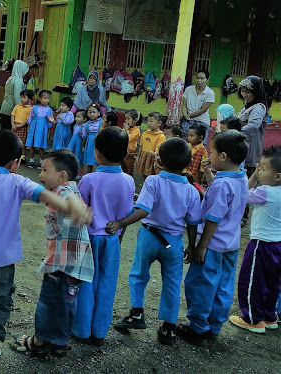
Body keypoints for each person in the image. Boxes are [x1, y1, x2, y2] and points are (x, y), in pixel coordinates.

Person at [0, 130, 92, 361]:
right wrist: (71, 207)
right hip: (5, 261)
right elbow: (45, 195)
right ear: (16, 163)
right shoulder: (17, 182)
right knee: (0, 302)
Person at [107, 138, 201, 345]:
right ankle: (168, 327)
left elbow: (144, 210)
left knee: (139, 275)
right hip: (174, 241)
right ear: (188, 162)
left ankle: (137, 313)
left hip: (150, 236)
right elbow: (193, 223)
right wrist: (192, 246)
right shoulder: (192, 191)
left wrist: (121, 222)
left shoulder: (154, 181)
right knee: (172, 284)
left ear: (160, 161)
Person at [15, 149, 94, 358]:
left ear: (62, 177)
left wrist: (77, 207)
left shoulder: (63, 191)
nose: (40, 175)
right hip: (75, 264)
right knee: (67, 304)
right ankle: (60, 343)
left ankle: (38, 341)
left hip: (61, 263)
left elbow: (69, 201)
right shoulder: (69, 189)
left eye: (45, 170)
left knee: (48, 302)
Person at [176, 130, 249, 347]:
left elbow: (213, 218)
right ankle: (214, 326)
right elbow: (219, 194)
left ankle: (198, 327)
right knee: (223, 286)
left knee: (201, 285)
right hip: (230, 244)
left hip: (212, 245)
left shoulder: (222, 184)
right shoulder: (241, 176)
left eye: (213, 152)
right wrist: (209, 172)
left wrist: (201, 246)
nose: (210, 155)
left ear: (224, 156)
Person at [73, 127, 135, 347]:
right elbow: (126, 215)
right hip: (111, 239)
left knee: (86, 283)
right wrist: (118, 235)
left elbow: (80, 212)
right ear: (125, 152)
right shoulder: (128, 181)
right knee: (107, 284)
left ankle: (81, 330)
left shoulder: (88, 179)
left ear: (96, 152)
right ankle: (99, 332)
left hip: (89, 238)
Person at [229, 145, 281, 333]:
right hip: (278, 245)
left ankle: (252, 318)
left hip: (261, 244)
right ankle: (269, 316)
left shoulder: (265, 192)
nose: (259, 172)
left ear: (278, 176)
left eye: (263, 169)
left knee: (251, 281)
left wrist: (251, 176)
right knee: (272, 282)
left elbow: (243, 194)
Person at [237, 76, 268, 226]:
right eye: (242, 91)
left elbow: (253, 125)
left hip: (250, 149)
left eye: (247, 92)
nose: (244, 94)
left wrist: (234, 132)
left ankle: (243, 216)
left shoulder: (258, 107)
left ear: (256, 92)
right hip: (242, 147)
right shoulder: (247, 106)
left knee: (247, 183)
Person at [181, 69, 214, 143]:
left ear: (207, 80)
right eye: (198, 78)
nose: (199, 80)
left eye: (202, 78)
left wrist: (186, 116)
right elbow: (184, 105)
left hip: (202, 120)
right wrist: (185, 115)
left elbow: (202, 110)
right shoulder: (188, 89)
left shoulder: (210, 93)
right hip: (188, 120)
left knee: (202, 143)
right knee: (183, 142)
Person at [26, 90, 54, 169]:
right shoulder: (34, 108)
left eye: (48, 99)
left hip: (43, 129)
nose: (46, 100)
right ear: (39, 98)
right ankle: (31, 160)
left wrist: (48, 133)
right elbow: (30, 117)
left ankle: (41, 162)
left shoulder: (49, 110)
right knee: (32, 145)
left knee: (41, 146)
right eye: (44, 98)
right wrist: (29, 126)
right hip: (34, 128)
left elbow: (49, 123)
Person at [0, 60, 29, 130]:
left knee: (4, 132)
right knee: (9, 134)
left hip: (4, 108)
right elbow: (17, 97)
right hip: (11, 110)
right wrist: (20, 110)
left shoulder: (11, 79)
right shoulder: (18, 81)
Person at [135, 112, 166, 180]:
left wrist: (154, 154)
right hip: (143, 156)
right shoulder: (145, 133)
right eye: (148, 121)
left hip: (152, 158)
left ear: (159, 123)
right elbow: (141, 146)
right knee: (143, 175)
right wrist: (138, 157)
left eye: (151, 121)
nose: (149, 123)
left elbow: (159, 148)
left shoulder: (160, 136)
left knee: (151, 176)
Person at [10, 89, 34, 154]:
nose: (22, 99)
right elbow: (13, 115)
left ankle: (22, 155)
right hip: (15, 125)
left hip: (23, 127)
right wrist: (13, 124)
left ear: (29, 99)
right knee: (13, 140)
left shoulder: (30, 109)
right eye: (21, 97)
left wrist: (21, 125)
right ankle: (14, 153)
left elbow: (27, 119)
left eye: (24, 97)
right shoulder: (17, 106)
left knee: (22, 142)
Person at [82, 103, 103, 174]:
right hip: (90, 143)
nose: (92, 114)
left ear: (99, 113)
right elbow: (84, 135)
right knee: (89, 159)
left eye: (94, 112)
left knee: (99, 158)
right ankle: (89, 173)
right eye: (90, 112)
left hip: (99, 142)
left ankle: (99, 173)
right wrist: (83, 146)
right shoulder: (87, 124)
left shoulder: (101, 122)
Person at [122, 109, 141, 175]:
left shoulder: (137, 130)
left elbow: (128, 138)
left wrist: (126, 130)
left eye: (128, 119)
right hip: (123, 150)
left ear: (135, 120)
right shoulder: (126, 128)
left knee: (129, 170)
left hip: (131, 152)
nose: (126, 121)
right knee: (122, 169)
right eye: (125, 119)